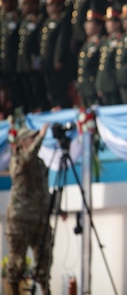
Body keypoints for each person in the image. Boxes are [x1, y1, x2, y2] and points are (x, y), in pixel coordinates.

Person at [5, 123, 52, 295]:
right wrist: (42, 136)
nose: (34, 139)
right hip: (21, 221)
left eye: (35, 137)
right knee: (17, 265)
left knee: (44, 262)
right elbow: (28, 157)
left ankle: (46, 291)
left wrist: (54, 209)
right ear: (22, 142)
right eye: (31, 138)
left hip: (40, 220)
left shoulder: (39, 164)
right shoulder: (18, 160)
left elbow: (43, 191)